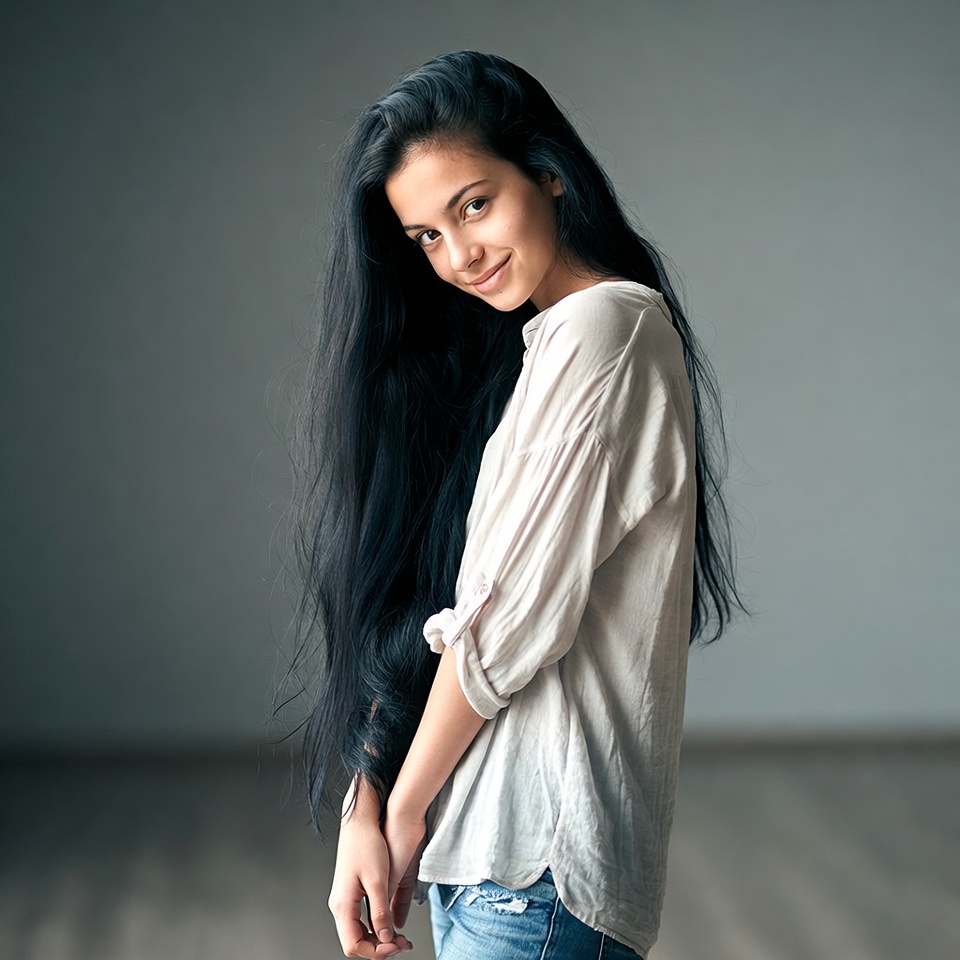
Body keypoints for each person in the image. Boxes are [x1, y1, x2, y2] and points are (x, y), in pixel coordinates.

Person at [287, 51, 743, 960]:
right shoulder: (530, 355)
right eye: (425, 237)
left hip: (535, 875)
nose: (459, 256)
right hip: (487, 867)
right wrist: (363, 809)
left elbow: (505, 624)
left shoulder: (605, 329)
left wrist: (404, 812)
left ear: (548, 173)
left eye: (473, 204)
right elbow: (435, 605)